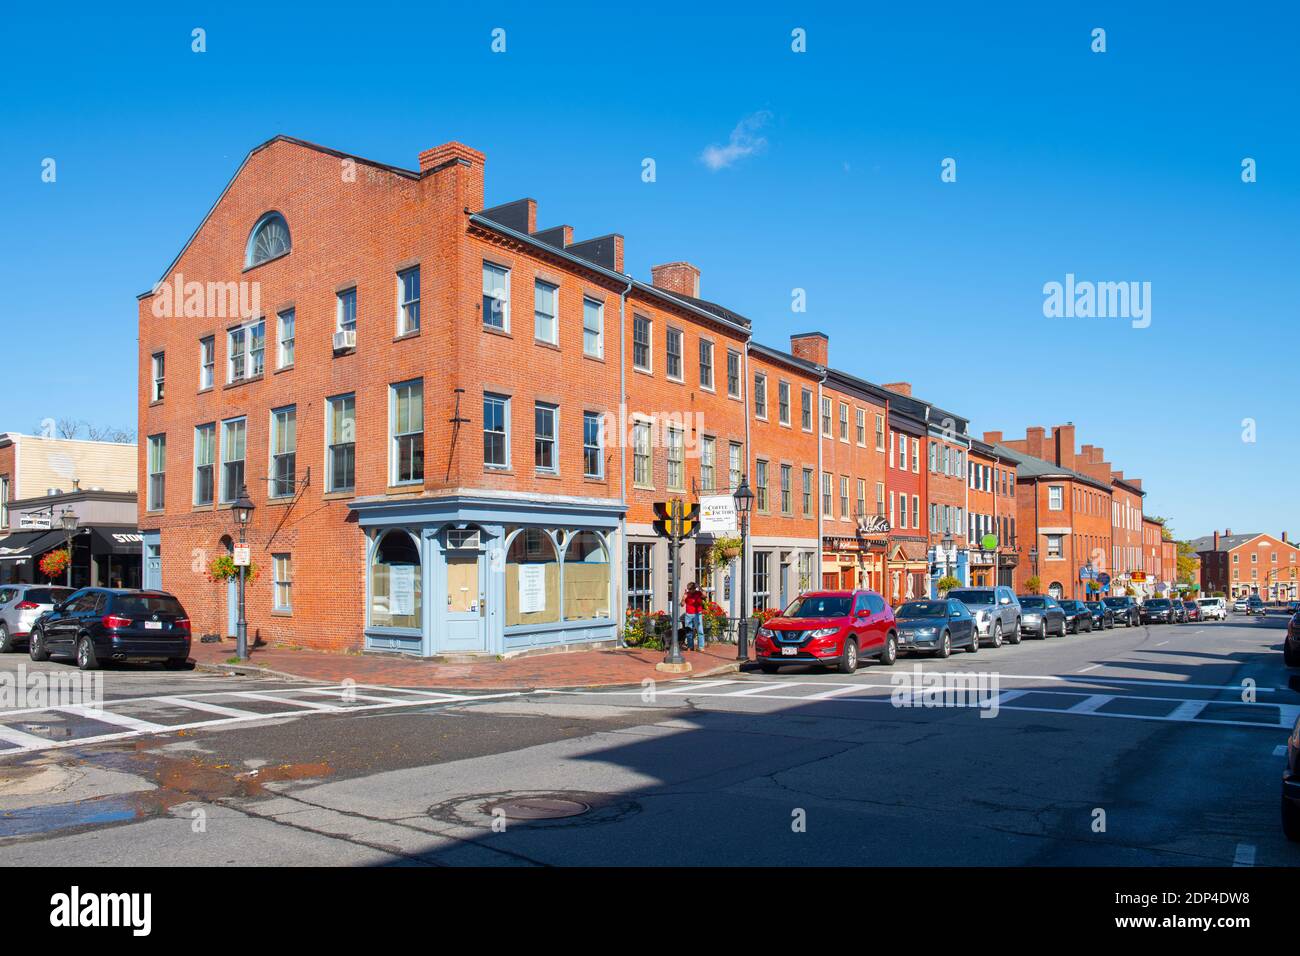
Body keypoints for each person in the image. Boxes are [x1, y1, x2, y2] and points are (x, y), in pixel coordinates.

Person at [683, 582, 704, 651]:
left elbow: (705, 595)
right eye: (688, 589)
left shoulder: (698, 593)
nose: (689, 590)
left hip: (698, 614)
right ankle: (690, 646)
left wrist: (700, 587)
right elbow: (682, 604)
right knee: (689, 631)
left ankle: (701, 647)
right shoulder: (686, 594)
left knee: (700, 630)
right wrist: (683, 598)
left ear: (694, 589)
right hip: (688, 614)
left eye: (691, 589)